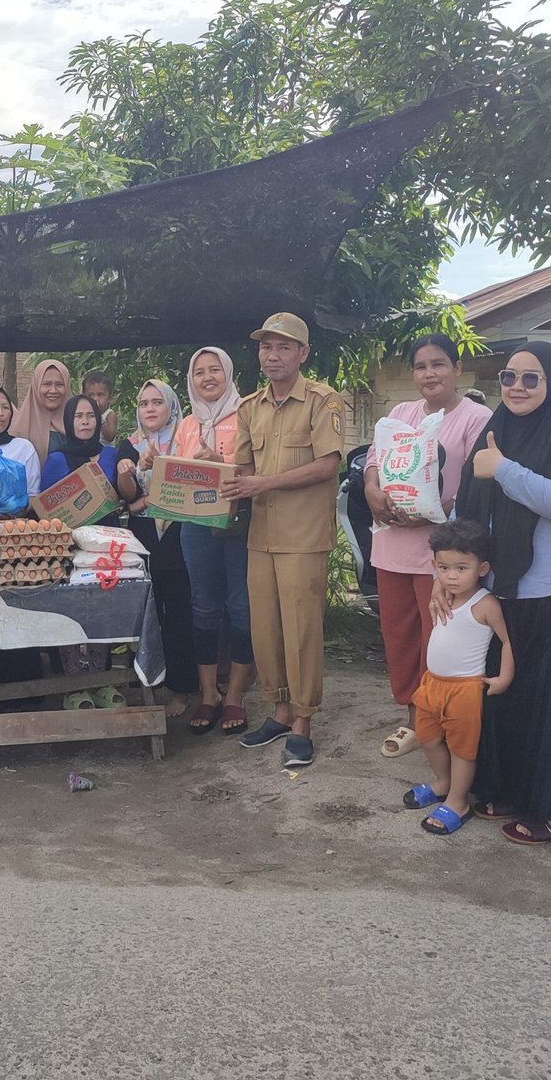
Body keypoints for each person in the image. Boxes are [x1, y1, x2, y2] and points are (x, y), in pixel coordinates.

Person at [449, 343, 551, 845]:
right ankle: (513, 788)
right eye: (508, 376)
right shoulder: (497, 430)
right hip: (503, 587)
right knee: (506, 694)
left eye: (531, 378)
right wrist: (449, 574)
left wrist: (504, 469)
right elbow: (467, 508)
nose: (516, 386)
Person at [222, 313, 345, 768]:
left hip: (304, 536)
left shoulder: (322, 400)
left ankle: (303, 724)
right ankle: (278, 711)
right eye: (265, 347)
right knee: (265, 630)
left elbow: (327, 465)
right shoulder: (250, 406)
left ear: (302, 354)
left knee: (301, 631)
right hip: (262, 536)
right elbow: (242, 471)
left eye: (283, 347)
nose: (272, 356)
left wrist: (262, 484)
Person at [365, 334, 491, 758]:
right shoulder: (401, 413)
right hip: (391, 544)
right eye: (421, 366)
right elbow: (373, 461)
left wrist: (437, 509)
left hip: (440, 554)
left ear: (457, 369)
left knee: (435, 637)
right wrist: (371, 491)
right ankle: (409, 708)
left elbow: (477, 481)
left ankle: (426, 717)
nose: (429, 373)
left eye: (438, 364)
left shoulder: (476, 418)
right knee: (397, 633)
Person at [401, 520, 513, 835]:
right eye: (444, 567)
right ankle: (443, 781)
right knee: (427, 737)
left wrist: (504, 676)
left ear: (482, 568)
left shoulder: (485, 604)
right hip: (432, 683)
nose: (451, 576)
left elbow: (507, 641)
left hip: (464, 690)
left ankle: (458, 801)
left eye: (461, 568)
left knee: (463, 749)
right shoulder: (443, 596)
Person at [171, 347, 254, 734]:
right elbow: (174, 476)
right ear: (191, 379)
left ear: (228, 373)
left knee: (241, 605)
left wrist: (219, 465)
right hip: (195, 525)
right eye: (199, 371)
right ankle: (209, 693)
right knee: (202, 605)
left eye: (214, 370)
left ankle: (235, 694)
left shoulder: (249, 414)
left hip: (239, 522)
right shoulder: (186, 425)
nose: (207, 377)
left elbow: (259, 469)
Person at [118, 381, 200, 707]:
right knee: (146, 612)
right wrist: (130, 472)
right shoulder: (130, 444)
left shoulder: (187, 440)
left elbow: (194, 483)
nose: (150, 409)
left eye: (157, 403)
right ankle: (147, 681)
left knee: (179, 610)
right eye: (143, 403)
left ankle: (181, 687)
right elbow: (126, 496)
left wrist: (159, 473)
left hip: (179, 533)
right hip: (144, 536)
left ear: (171, 407)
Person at [40, 394, 131, 502]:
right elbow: (45, 505)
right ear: (68, 421)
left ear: (98, 420)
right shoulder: (57, 459)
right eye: (78, 416)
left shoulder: (111, 454)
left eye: (91, 415)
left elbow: (126, 496)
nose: (85, 421)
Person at [9, 359, 73, 459]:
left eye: (59, 384)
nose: (53, 390)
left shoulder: (78, 423)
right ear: (36, 386)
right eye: (47, 384)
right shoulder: (19, 428)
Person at [82, 370, 119, 445]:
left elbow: (110, 437)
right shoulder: (83, 414)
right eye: (90, 395)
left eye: (100, 395)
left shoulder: (109, 415)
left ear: (109, 398)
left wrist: (100, 419)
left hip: (105, 451)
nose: (95, 399)